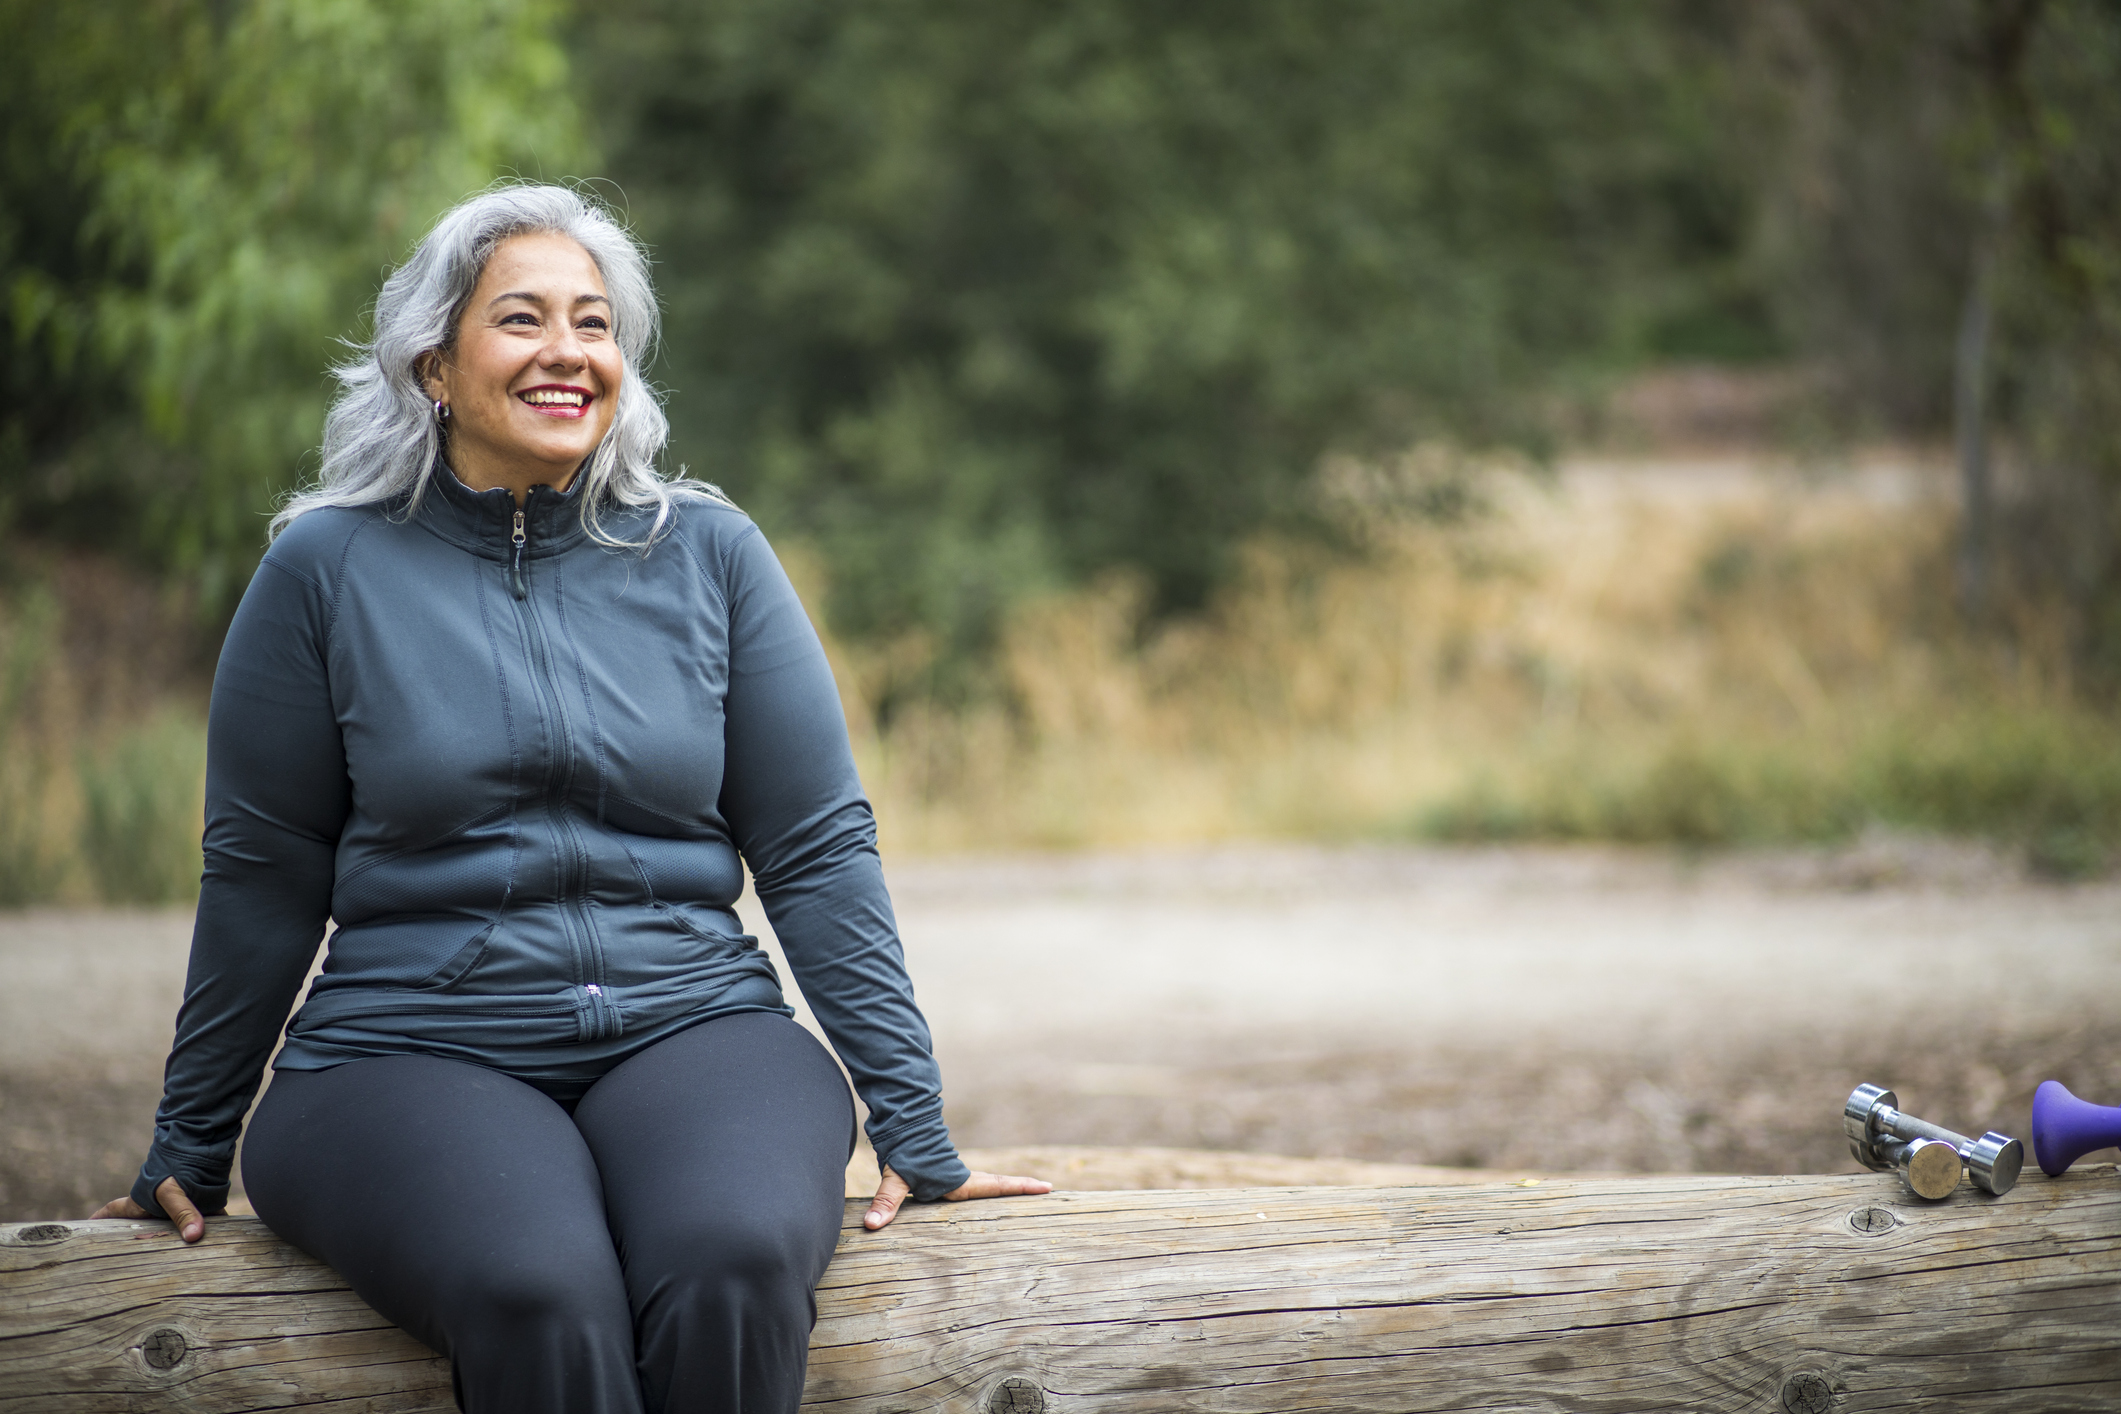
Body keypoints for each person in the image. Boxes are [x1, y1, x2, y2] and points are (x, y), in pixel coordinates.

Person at [93, 183, 1048, 1414]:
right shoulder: (323, 571)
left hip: (692, 1021)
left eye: (594, 325)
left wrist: (914, 1121)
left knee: (733, 1260)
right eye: (523, 320)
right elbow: (263, 875)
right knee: (540, 1287)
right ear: (433, 362)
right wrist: (189, 1137)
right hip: (407, 1045)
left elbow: (815, 850)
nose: (566, 354)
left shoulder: (708, 553)